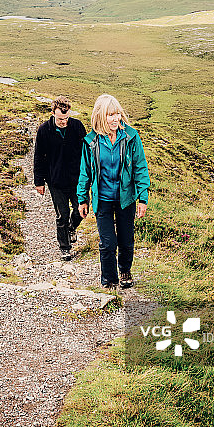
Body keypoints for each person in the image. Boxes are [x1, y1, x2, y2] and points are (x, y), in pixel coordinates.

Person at [77, 94, 149, 290]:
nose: (115, 118)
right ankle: (109, 279)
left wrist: (143, 198)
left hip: (126, 199)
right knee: (108, 243)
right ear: (100, 116)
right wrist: (82, 199)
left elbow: (140, 168)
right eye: (110, 114)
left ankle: (125, 270)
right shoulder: (90, 142)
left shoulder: (131, 137)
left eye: (117, 113)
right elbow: (85, 172)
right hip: (103, 200)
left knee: (126, 240)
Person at [34, 96, 87, 259]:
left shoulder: (77, 126)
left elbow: (87, 152)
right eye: (60, 118)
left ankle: (72, 228)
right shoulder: (44, 130)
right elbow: (39, 157)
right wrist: (39, 182)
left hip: (77, 180)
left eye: (66, 118)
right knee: (62, 214)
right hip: (55, 181)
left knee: (82, 211)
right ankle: (65, 247)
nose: (64, 122)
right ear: (53, 113)